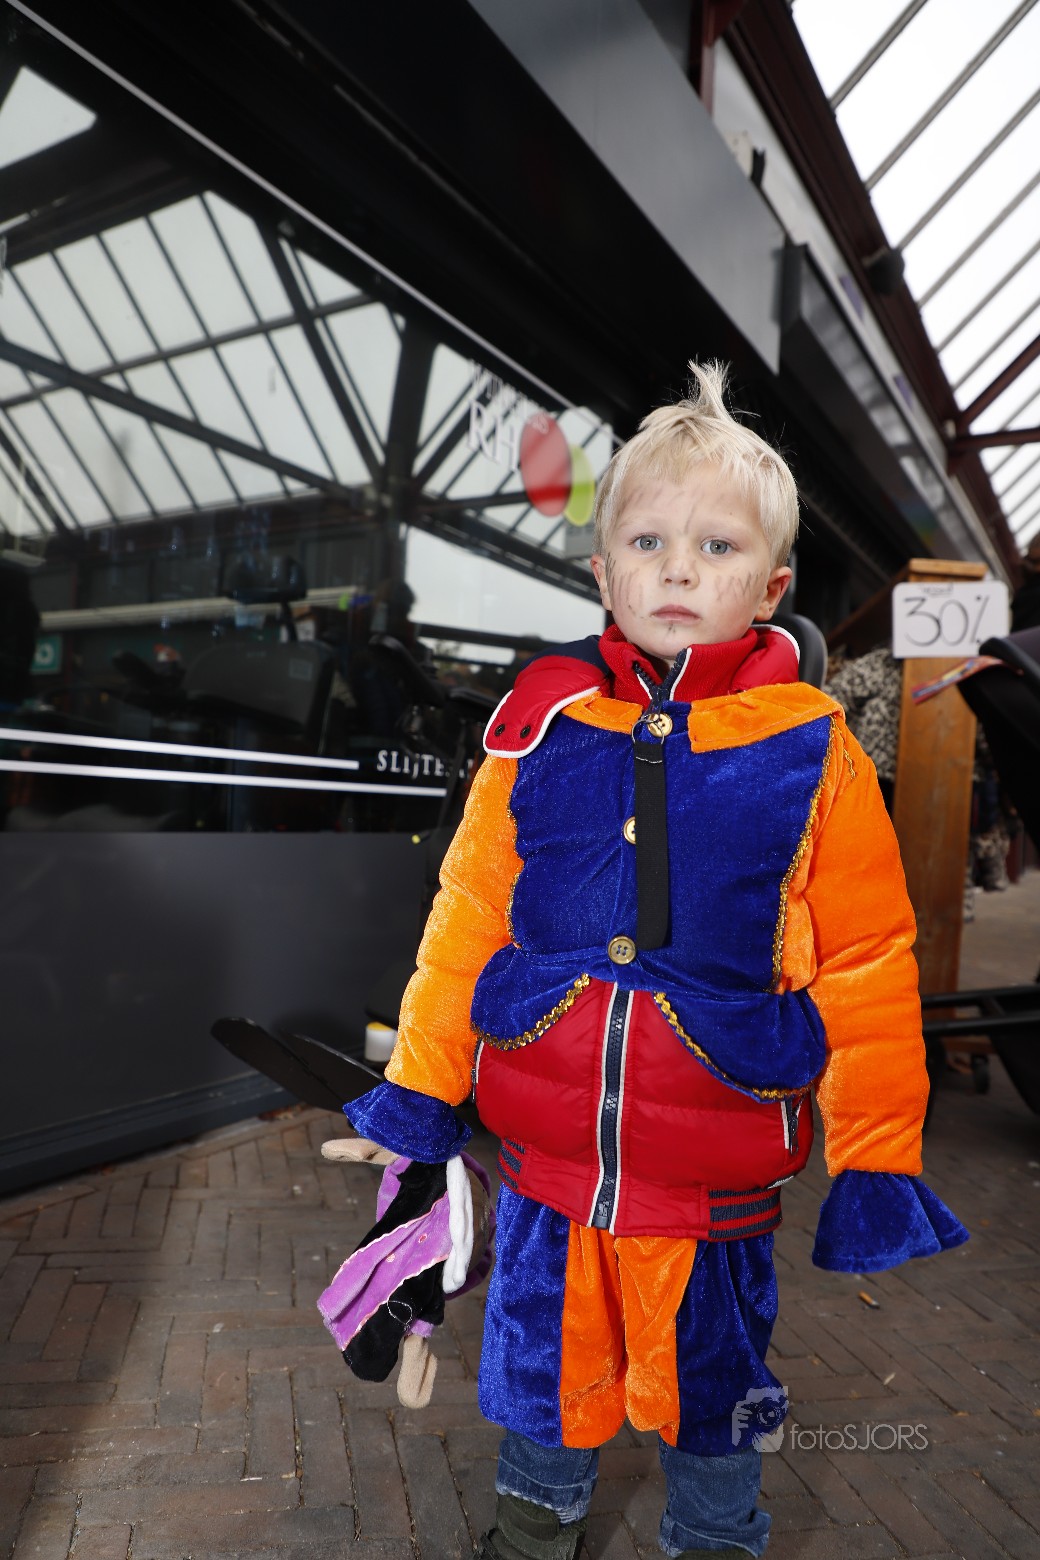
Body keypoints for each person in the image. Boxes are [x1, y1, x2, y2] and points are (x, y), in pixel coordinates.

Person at [339, 363, 967, 1559]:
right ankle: (532, 1534)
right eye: (647, 541)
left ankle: (714, 1540)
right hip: (546, 1171)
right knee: (541, 1380)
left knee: (713, 1397)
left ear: (769, 585)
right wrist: (419, 1091)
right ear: (602, 573)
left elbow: (865, 962)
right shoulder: (537, 729)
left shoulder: (811, 752)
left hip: (712, 1178)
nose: (678, 568)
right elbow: (466, 920)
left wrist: (876, 1158)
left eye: (715, 546)